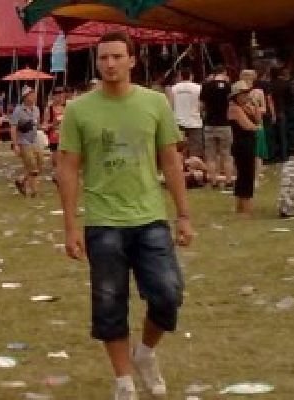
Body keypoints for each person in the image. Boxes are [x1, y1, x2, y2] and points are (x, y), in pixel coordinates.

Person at [55, 33, 197, 400]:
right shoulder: (78, 110)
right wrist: (70, 226)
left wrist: (183, 214)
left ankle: (146, 353)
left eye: (117, 57)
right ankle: (124, 382)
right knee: (108, 302)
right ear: (97, 62)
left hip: (150, 216)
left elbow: (170, 159)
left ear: (133, 61)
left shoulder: (154, 103)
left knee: (168, 293)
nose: (110, 64)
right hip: (103, 220)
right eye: (103, 58)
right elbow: (68, 168)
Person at [200, 66, 236, 188]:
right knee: (226, 154)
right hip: (224, 124)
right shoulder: (228, 87)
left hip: (210, 124)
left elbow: (201, 105)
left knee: (211, 156)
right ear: (224, 73)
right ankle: (229, 180)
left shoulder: (206, 86)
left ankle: (213, 181)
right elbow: (232, 104)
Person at [228, 89, 262, 216]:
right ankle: (245, 207)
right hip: (241, 144)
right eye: (243, 94)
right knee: (245, 175)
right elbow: (248, 126)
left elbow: (258, 120)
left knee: (246, 174)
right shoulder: (234, 109)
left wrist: (256, 105)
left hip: (249, 143)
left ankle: (241, 206)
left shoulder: (246, 108)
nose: (246, 97)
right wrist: (257, 127)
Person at [11, 90, 46, 197]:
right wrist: (15, 144)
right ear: (25, 97)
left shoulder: (36, 109)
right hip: (23, 141)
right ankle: (34, 192)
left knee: (40, 164)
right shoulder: (18, 110)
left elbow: (38, 124)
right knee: (32, 167)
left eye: (34, 95)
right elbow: (13, 127)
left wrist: (44, 127)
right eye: (31, 95)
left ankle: (22, 180)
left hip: (35, 140)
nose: (34, 97)